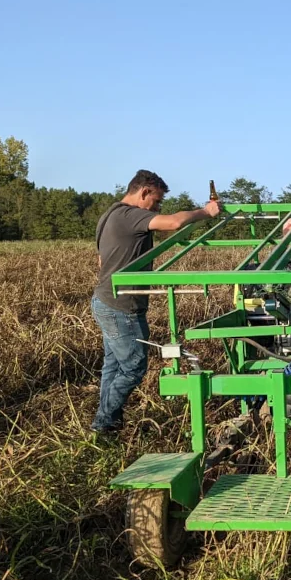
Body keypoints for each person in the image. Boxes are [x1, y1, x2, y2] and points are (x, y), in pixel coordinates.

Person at [90, 170, 223, 435]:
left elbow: (101, 260)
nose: (158, 207)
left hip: (105, 301)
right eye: (157, 200)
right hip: (122, 307)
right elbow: (173, 223)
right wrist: (206, 212)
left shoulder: (108, 216)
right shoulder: (129, 215)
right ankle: (103, 423)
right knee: (133, 367)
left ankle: (108, 424)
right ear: (144, 192)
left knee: (113, 366)